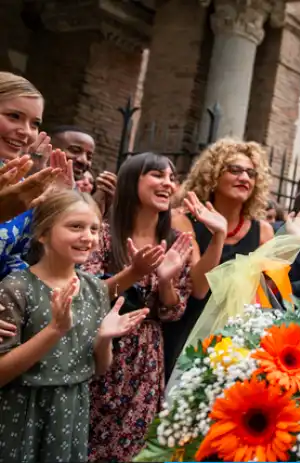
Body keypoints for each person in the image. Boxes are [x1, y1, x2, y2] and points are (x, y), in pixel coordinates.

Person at [0, 190, 148, 463]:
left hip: (72, 413)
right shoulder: (16, 288)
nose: (88, 237)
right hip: (22, 413)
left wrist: (104, 339)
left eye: (93, 229)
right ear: (43, 234)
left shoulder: (94, 288)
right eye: (75, 227)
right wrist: (54, 330)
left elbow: (99, 368)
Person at [83, 152, 193, 461]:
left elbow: (173, 312)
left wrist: (167, 279)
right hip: (103, 348)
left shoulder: (175, 242)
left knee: (133, 448)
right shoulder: (103, 234)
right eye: (157, 175)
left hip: (146, 358)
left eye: (172, 178)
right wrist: (134, 272)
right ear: (133, 180)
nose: (167, 183)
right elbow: (88, 294)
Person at [163, 138, 275, 379]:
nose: (244, 178)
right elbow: (199, 287)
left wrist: (292, 243)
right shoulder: (182, 220)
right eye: (234, 170)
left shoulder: (263, 231)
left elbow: (268, 295)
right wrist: (219, 235)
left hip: (234, 338)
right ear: (212, 175)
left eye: (251, 173)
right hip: (186, 328)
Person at [0, 72, 72, 280]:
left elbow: (20, 259)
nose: (26, 132)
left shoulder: (23, 189)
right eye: (14, 116)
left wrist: (60, 203)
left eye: (34, 123)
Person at [49, 126, 116, 216]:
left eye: (89, 157)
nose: (83, 160)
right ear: (49, 149)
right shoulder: (30, 183)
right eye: (75, 150)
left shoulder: (82, 196)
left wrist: (102, 202)